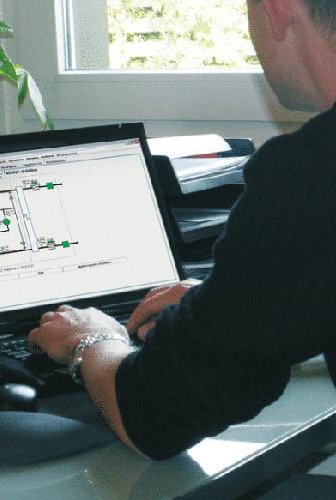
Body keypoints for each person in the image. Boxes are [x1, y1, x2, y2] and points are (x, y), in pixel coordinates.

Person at [28, 0, 336, 459]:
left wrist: (88, 338)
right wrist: (227, 304)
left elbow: (155, 417)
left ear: (276, 9)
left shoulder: (313, 175)